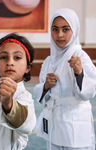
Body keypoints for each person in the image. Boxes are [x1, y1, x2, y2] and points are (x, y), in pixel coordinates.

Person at [33, 8, 96, 150]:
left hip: (75, 123)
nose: (59, 35)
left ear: (74, 30)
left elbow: (89, 92)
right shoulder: (49, 61)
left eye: (65, 29)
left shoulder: (80, 56)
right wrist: (45, 87)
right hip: (54, 122)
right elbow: (41, 94)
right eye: (55, 29)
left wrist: (79, 72)